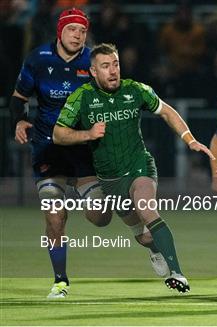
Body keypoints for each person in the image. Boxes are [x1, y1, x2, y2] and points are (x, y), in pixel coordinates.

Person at [53, 43, 214, 293]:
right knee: (142, 236)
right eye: (105, 66)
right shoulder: (82, 97)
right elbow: (58, 134)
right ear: (93, 72)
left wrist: (189, 139)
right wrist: (87, 133)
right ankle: (153, 249)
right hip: (109, 179)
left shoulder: (135, 89)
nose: (113, 71)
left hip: (139, 165)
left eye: (115, 64)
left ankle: (178, 274)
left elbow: (167, 111)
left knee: (148, 209)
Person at [8, 8, 131, 299]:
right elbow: (18, 97)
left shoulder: (93, 60)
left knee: (101, 217)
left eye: (82, 30)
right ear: (60, 31)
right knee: (54, 215)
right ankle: (60, 282)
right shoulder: (38, 59)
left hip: (84, 150)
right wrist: (19, 120)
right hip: (48, 148)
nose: (78, 35)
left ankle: (88, 196)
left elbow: (112, 95)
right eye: (72, 29)